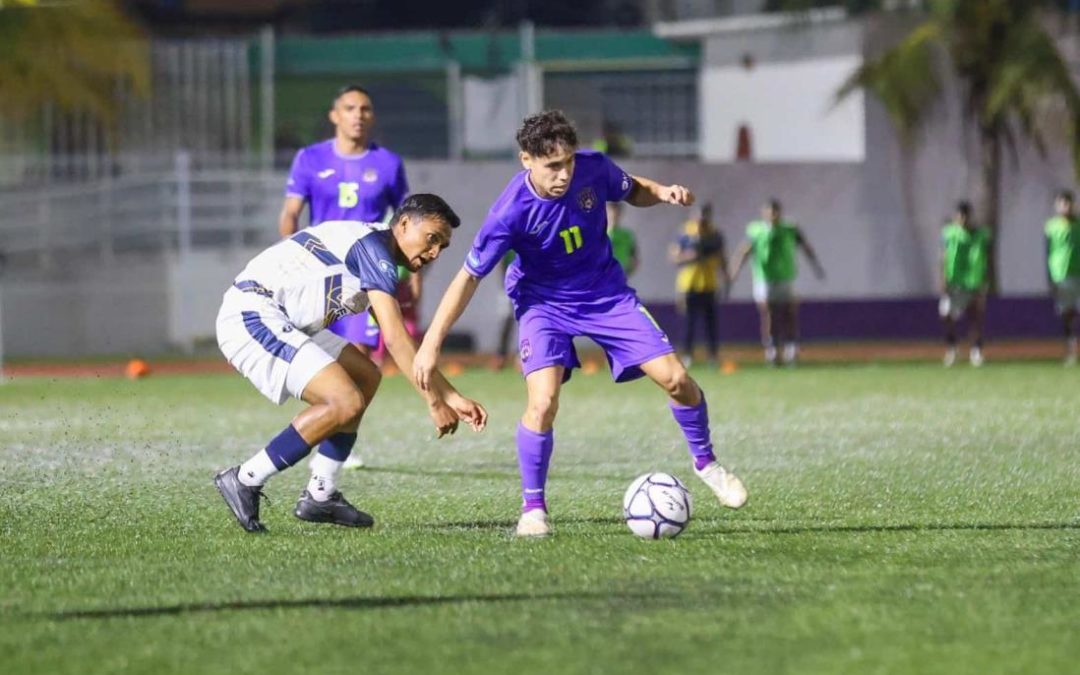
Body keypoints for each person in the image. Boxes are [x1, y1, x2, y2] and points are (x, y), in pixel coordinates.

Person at [413, 110, 747, 538]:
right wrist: (431, 343)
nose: (565, 173)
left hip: (605, 293)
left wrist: (662, 192)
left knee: (677, 378)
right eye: (553, 165)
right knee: (543, 402)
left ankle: (708, 465)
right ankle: (533, 510)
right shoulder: (509, 213)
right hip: (542, 304)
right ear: (526, 160)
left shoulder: (592, 168)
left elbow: (631, 189)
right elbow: (468, 278)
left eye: (568, 161)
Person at [214, 194, 486, 533]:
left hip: (288, 320)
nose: (434, 253)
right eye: (432, 239)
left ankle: (320, 493)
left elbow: (399, 342)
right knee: (344, 401)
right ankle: (245, 478)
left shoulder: (379, 249)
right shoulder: (375, 249)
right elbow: (397, 339)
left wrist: (451, 396)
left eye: (442, 247)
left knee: (366, 377)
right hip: (255, 312)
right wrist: (433, 401)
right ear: (403, 224)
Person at [278, 84, 409, 466]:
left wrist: (412, 272)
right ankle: (330, 424)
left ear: (372, 116)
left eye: (365, 108)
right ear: (335, 115)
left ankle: (336, 440)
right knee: (321, 354)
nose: (358, 115)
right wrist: (290, 253)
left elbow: (406, 221)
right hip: (319, 272)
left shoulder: (389, 163)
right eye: (350, 108)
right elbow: (290, 213)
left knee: (364, 360)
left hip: (366, 275)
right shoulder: (309, 158)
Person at [729, 199, 824, 366]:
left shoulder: (790, 228)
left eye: (775, 211)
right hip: (764, 278)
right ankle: (772, 349)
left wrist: (816, 266)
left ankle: (791, 347)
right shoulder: (756, 230)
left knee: (789, 313)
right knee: (768, 313)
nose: (772, 215)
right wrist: (734, 271)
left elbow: (806, 247)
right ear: (764, 213)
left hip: (786, 276)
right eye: (769, 211)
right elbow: (745, 250)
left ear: (780, 212)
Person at [669, 203, 727, 366]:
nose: (701, 221)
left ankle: (712, 356)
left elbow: (722, 258)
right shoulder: (685, 233)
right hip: (689, 284)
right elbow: (674, 257)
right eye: (699, 217)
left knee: (711, 323)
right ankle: (688, 355)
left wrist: (726, 278)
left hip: (709, 284)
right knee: (689, 323)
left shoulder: (715, 235)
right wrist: (691, 256)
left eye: (705, 217)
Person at [938, 201, 991, 367]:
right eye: (959, 215)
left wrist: (985, 282)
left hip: (973, 282)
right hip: (954, 281)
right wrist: (942, 279)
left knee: (975, 317)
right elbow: (944, 256)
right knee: (946, 315)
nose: (962, 219)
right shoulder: (949, 233)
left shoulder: (981, 234)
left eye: (965, 215)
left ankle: (976, 351)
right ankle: (952, 348)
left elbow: (987, 259)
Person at [1044, 190, 1080, 365]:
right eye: (1062, 203)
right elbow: (1047, 252)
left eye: (1068, 202)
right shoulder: (1051, 227)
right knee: (1067, 313)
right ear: (1057, 205)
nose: (1065, 206)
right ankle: (1070, 347)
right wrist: (1049, 278)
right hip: (1061, 275)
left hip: (1078, 274)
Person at [607, 202, 639, 277]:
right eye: (610, 212)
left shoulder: (626, 236)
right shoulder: (599, 234)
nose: (613, 216)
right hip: (603, 280)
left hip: (619, 278)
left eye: (615, 213)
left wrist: (626, 274)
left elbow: (635, 260)